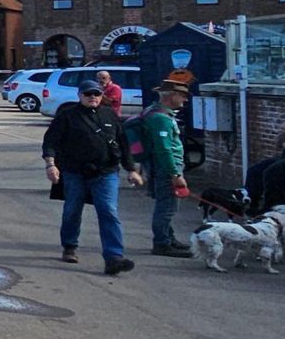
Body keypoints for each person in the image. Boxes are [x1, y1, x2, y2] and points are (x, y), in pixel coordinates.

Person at [43, 80, 145, 275]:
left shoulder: (110, 115)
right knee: (72, 210)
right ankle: (70, 245)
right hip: (75, 172)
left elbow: (123, 145)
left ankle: (114, 257)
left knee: (108, 211)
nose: (93, 97)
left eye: (96, 94)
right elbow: (50, 142)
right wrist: (51, 164)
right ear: (80, 95)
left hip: (106, 173)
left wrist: (131, 169)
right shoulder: (67, 117)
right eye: (88, 94)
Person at [135, 82, 194, 257]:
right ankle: (162, 243)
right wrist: (175, 174)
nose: (185, 99)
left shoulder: (154, 112)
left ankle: (168, 237)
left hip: (159, 166)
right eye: (182, 95)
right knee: (167, 206)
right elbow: (164, 148)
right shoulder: (160, 118)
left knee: (166, 204)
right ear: (171, 95)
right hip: (166, 168)